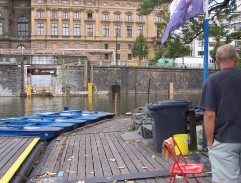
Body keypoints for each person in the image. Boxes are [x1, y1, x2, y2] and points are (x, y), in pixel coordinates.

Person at [199, 44, 241, 183]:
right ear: (236, 59)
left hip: (224, 139)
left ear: (217, 61)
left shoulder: (213, 81)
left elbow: (209, 115)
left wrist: (210, 142)